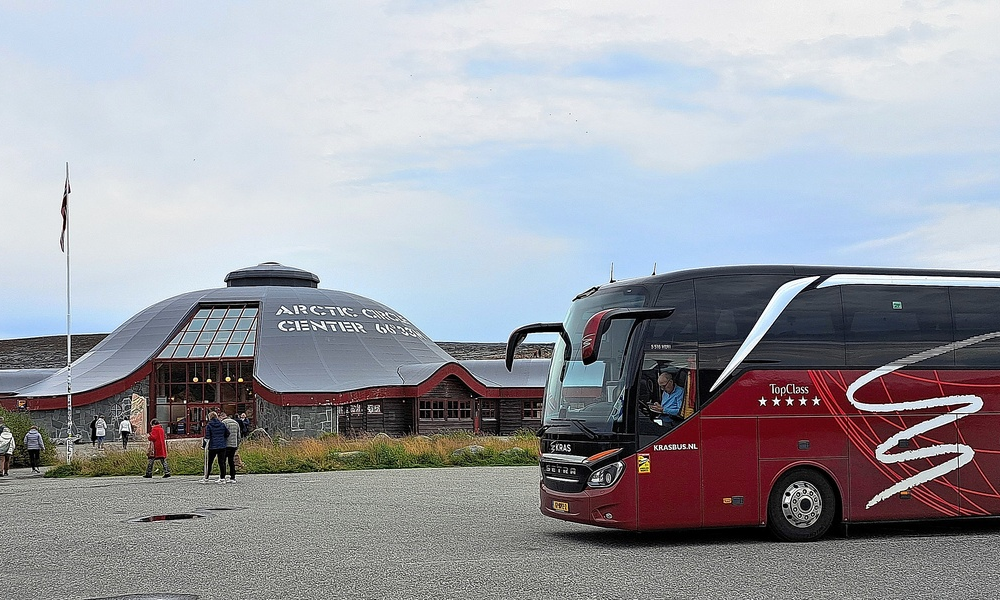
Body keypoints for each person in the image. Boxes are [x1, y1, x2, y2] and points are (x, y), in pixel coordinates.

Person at [202, 411, 230, 483]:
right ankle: (222, 478)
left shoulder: (209, 425)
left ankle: (206, 477)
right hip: (222, 446)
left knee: (210, 462)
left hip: (212, 446)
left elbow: (207, 437)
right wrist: (223, 438)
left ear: (210, 417)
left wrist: (204, 445)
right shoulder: (222, 424)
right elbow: (227, 433)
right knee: (222, 462)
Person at [220, 412, 240, 482]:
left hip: (226, 445)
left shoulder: (223, 423)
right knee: (231, 461)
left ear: (222, 417)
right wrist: (237, 445)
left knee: (223, 461)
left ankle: (223, 477)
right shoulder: (236, 423)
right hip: (233, 445)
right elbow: (238, 435)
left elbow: (222, 434)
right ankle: (232, 477)